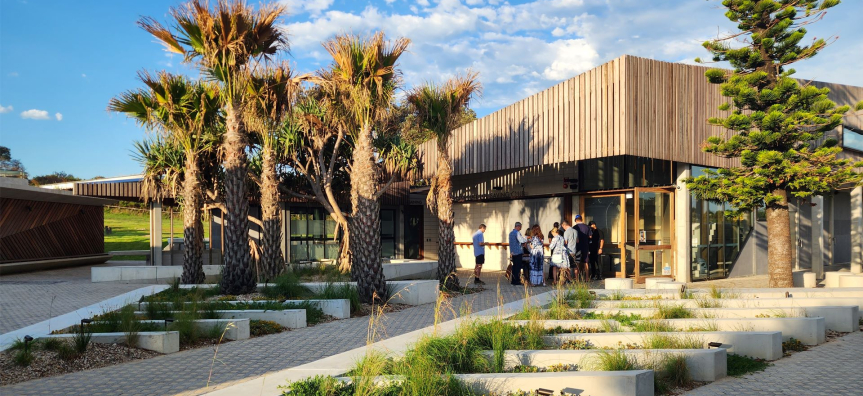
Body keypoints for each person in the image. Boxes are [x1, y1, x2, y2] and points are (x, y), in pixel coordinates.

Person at [573, 215, 593, 282]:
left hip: (577, 247)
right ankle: (587, 278)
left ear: (576, 220)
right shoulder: (587, 227)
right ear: (581, 219)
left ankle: (577, 279)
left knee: (577, 262)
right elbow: (590, 236)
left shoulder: (575, 227)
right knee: (586, 262)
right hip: (585, 246)